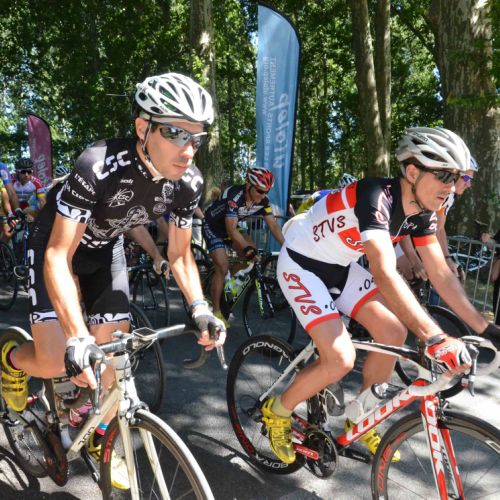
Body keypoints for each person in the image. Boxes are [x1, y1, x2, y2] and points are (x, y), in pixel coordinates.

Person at [0, 72, 226, 489]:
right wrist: (76, 336)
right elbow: (58, 255)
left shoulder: (188, 183)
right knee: (56, 359)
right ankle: (10, 361)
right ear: (143, 127)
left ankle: (100, 434)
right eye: (175, 133)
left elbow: (179, 254)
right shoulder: (98, 164)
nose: (188, 149)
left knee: (113, 362)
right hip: (56, 245)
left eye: (197, 137)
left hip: (106, 251)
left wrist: (200, 307)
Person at [262, 126, 500, 465]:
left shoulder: (422, 213)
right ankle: (278, 411)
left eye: (457, 177)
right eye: (445, 175)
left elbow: (441, 274)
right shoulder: (376, 195)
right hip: (302, 264)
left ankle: (360, 418)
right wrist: (435, 337)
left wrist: (485, 329)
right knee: (340, 358)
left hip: (339, 267)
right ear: (413, 172)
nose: (452, 186)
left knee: (393, 332)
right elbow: (384, 272)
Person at [202, 167, 285, 324]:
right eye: (260, 191)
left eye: (266, 191)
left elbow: (273, 227)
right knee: (223, 266)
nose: (263, 195)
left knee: (251, 255)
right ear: (248, 186)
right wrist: (246, 248)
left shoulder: (263, 201)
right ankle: (216, 310)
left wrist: (287, 247)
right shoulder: (235, 196)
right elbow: (231, 229)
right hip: (213, 227)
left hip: (231, 227)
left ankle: (225, 283)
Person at [396, 156, 479, 287]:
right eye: (466, 178)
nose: (469, 185)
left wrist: (446, 258)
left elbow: (439, 228)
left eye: (470, 180)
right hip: (398, 237)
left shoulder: (449, 197)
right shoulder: (429, 191)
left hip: (414, 238)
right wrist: (414, 259)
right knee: (399, 280)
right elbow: (403, 222)